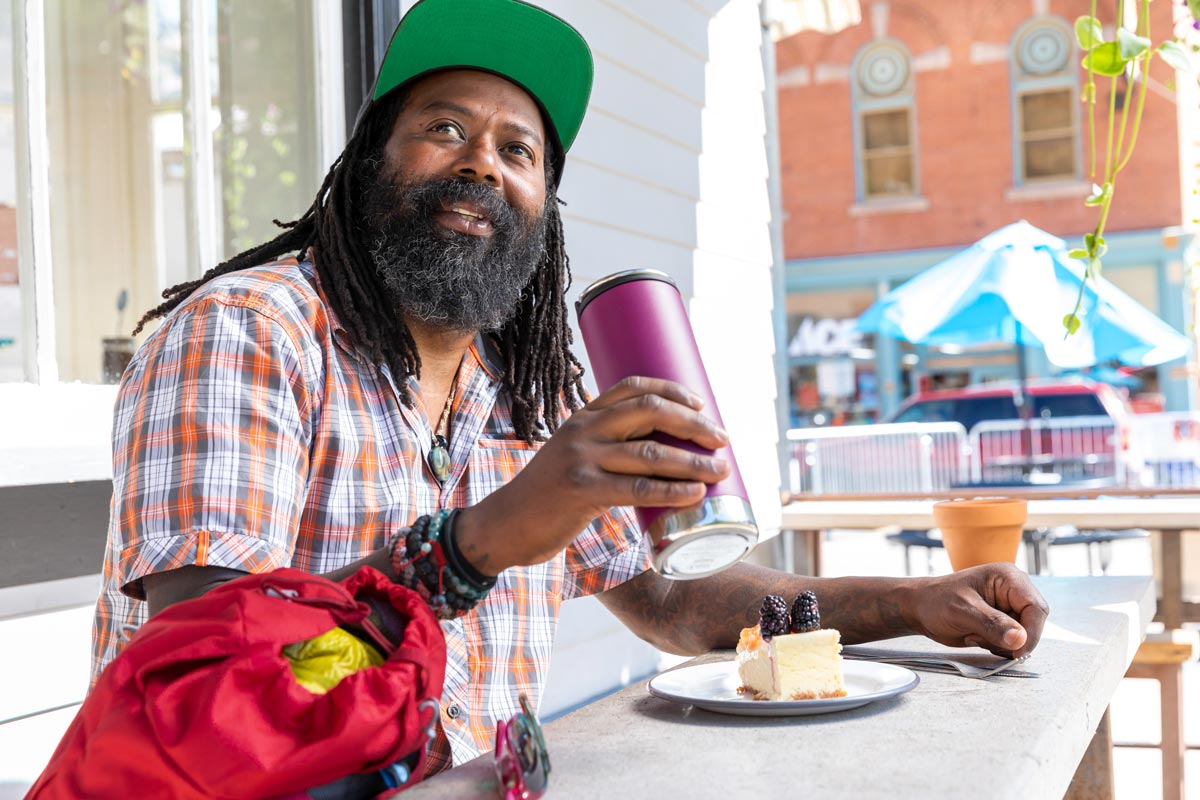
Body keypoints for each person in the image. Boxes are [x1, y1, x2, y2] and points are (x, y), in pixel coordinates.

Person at [91, 0, 1049, 776]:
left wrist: (914, 601)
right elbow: (210, 671)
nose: (480, 163)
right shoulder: (249, 331)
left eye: (519, 152)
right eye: (444, 128)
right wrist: (483, 539)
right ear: (368, 164)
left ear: (543, 212)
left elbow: (677, 604)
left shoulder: (520, 396)